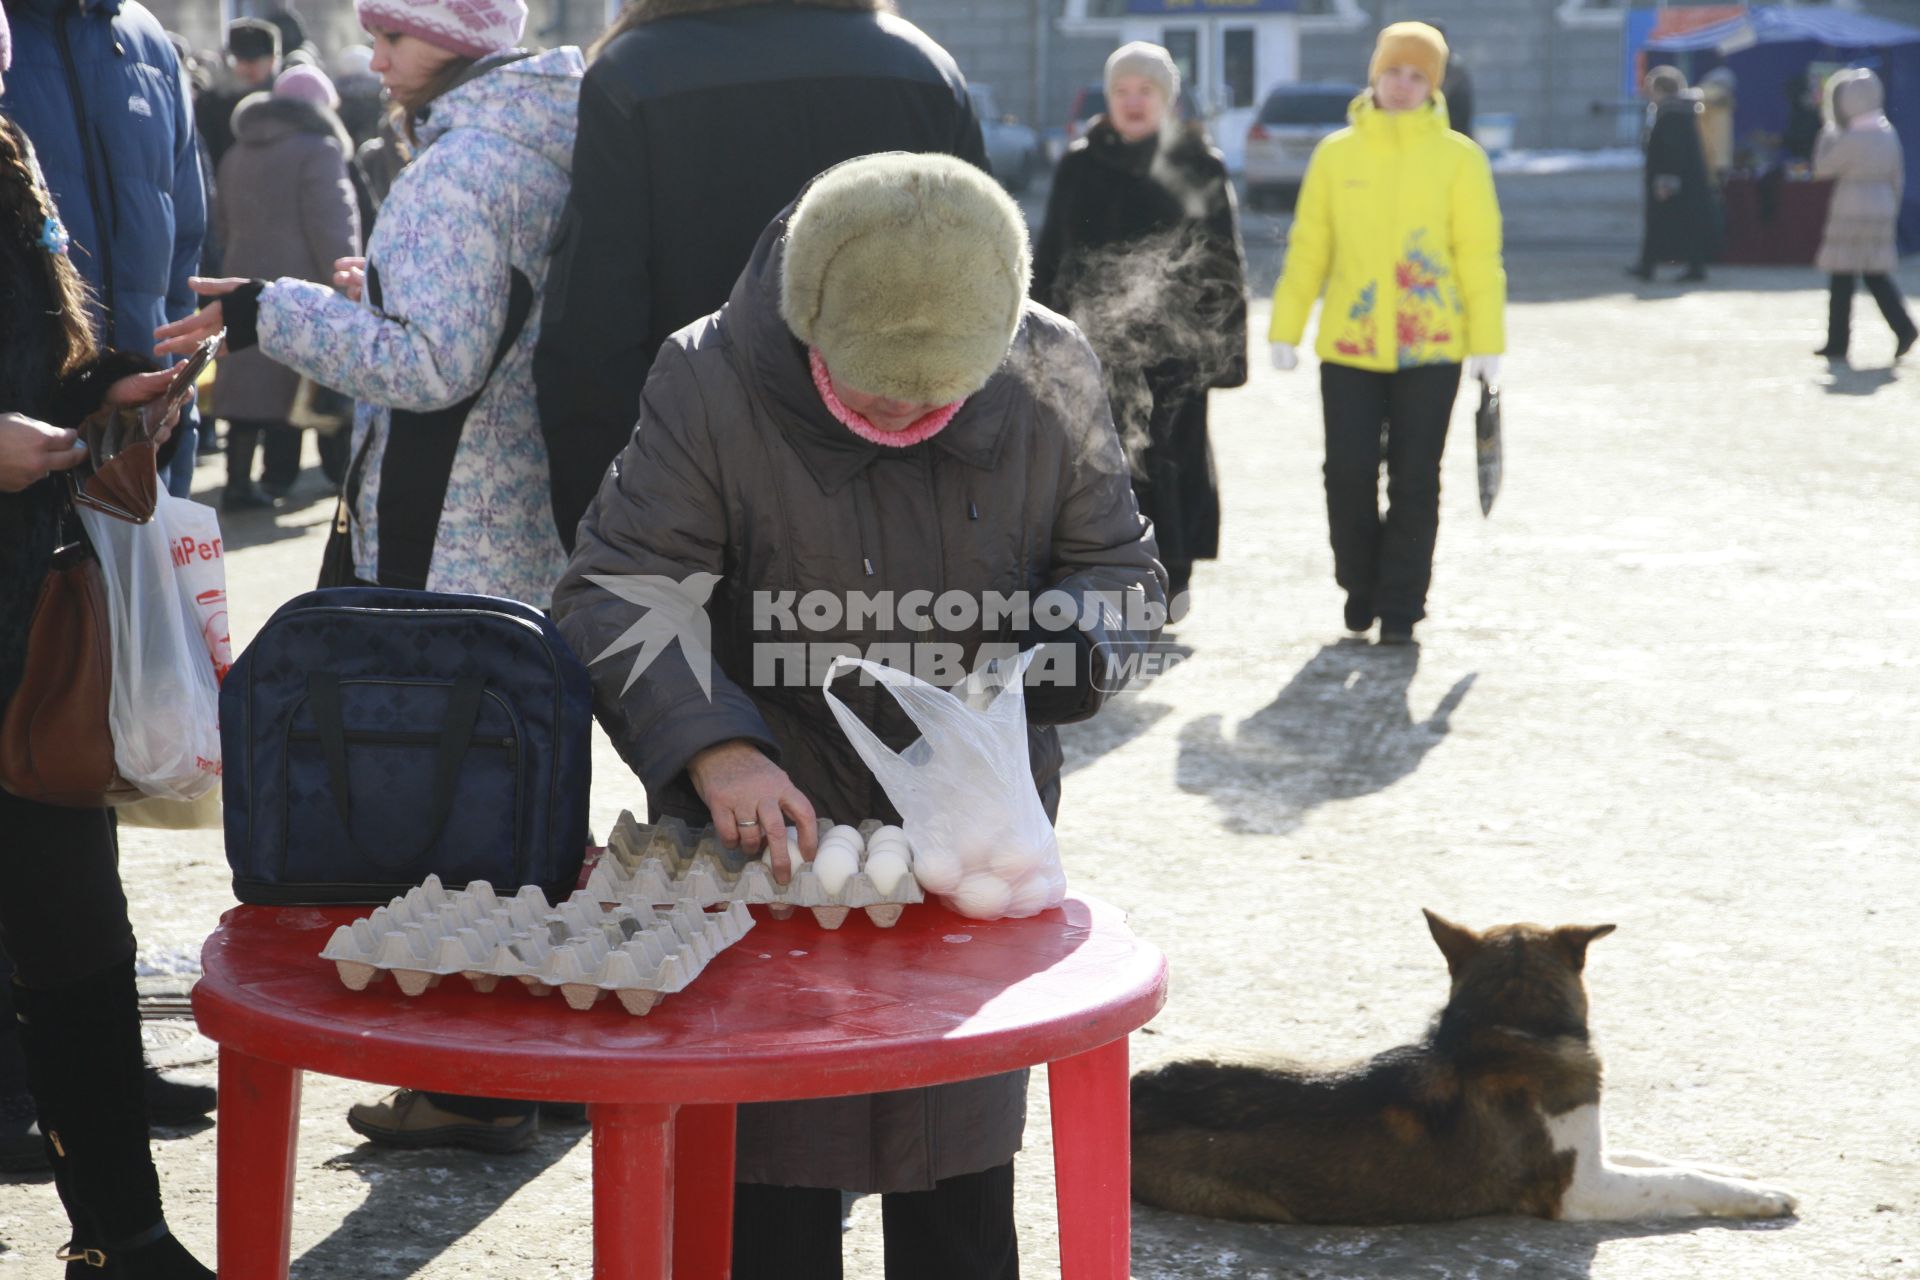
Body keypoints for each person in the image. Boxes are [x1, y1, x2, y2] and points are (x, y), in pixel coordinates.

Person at [552, 150, 1165, 1280]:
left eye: (941, 396)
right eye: (879, 389)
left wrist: (1063, 652)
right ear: (812, 318)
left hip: (970, 863)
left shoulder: (1050, 367)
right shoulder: (712, 376)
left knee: (960, 1183)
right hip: (768, 858)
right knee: (768, 1193)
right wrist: (718, 747)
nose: (908, 411)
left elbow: (1121, 569)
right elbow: (621, 584)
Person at [156, 0, 581, 1152]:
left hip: (449, 515)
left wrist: (269, 310)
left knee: (452, 799)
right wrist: (366, 296)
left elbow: (432, 365)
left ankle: (467, 1080)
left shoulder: (457, 171)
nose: (372, 55)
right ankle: (534, 1055)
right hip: (520, 506)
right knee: (522, 783)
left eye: (392, 34)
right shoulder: (541, 137)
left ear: (463, 42)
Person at [1, 54, 213, 1273]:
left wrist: (105, 394)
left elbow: (42, 358)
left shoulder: (9, 150)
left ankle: (123, 1235)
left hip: (38, 616)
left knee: (80, 935)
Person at [534, 0, 989, 556]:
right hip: (901, 506)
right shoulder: (923, 68)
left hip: (697, 504)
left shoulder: (634, 74)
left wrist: (605, 533)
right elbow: (985, 314)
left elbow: (591, 338)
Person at [1267, 21, 1505, 646]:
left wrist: (1487, 341)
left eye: (1417, 76)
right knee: (1345, 473)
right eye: (1394, 72)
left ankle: (1401, 604)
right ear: (1375, 73)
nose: (1402, 86)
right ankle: (1358, 585)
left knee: (1414, 477)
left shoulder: (1460, 158)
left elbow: (1478, 255)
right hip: (1348, 347)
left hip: (1433, 347)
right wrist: (1285, 326)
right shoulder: (1336, 154)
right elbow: (1309, 246)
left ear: (1435, 85)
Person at [1031, 41, 1246, 609]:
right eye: (1122, 91)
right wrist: (1037, 336)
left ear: (1167, 99)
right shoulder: (1081, 164)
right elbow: (1051, 253)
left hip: (1179, 348)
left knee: (1174, 458)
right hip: (1096, 345)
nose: (1133, 101)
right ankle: (1109, 573)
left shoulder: (1198, 165)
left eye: (1145, 91)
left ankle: (1174, 572)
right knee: (1102, 461)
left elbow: (1222, 260)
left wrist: (1225, 351)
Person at [212, 63, 361, 510]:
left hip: (242, 280)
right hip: (303, 285)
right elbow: (334, 222)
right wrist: (348, 277)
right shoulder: (319, 149)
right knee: (307, 386)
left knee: (244, 381)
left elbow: (220, 223)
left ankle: (240, 480)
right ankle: (335, 477)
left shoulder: (237, 151)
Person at [1811, 67, 1916, 363]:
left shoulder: (1851, 137)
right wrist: (1891, 207)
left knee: (1842, 277)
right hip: (1882, 204)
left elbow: (1823, 167)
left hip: (1851, 204)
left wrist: (1826, 133)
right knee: (1875, 274)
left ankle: (1838, 341)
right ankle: (1903, 327)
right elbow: (1898, 176)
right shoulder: (1886, 132)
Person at [1630, 66, 1714, 283]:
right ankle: (1650, 264)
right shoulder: (1679, 112)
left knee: (1667, 222)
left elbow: (1671, 150)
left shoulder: (1672, 113)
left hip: (1675, 181)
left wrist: (1665, 181)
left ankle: (1656, 265)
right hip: (1684, 181)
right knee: (1679, 223)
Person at [196, 17, 280, 168]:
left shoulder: (281, 101)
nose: (245, 68)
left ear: (272, 61)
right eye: (239, 60)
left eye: (254, 61)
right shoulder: (210, 104)